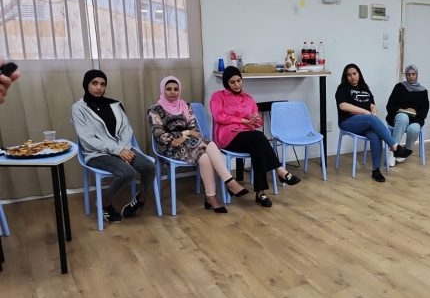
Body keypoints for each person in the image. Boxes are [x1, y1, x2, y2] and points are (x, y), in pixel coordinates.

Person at [148, 76, 248, 213]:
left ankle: (211, 197)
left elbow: (195, 130)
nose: (173, 92)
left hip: (190, 143)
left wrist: (186, 135)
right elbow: (160, 136)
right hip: (170, 147)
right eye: (168, 89)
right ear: (162, 90)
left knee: (205, 156)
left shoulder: (185, 106)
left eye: (176, 89)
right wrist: (186, 133)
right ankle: (229, 182)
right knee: (207, 144)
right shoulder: (154, 110)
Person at [72, 70, 156, 223]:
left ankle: (141, 199)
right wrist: (118, 151)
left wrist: (123, 149)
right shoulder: (78, 108)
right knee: (127, 173)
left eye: (102, 84)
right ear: (86, 84)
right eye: (94, 83)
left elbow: (126, 129)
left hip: (123, 148)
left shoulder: (115, 104)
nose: (99, 87)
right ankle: (104, 203)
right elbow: (87, 139)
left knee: (149, 167)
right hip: (97, 153)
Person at [210, 66, 301, 207]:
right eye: (232, 82)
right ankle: (280, 170)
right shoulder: (218, 96)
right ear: (226, 83)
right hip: (228, 137)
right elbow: (219, 116)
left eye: (239, 81)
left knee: (258, 148)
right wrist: (243, 121)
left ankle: (261, 193)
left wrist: (255, 120)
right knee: (258, 137)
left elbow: (258, 122)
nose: (236, 84)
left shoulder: (249, 99)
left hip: (248, 137)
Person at [335, 63, 412, 182]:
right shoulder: (342, 88)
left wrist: (374, 112)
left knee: (375, 135)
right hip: (348, 121)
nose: (352, 77)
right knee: (371, 119)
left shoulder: (365, 88)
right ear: (346, 77)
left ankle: (376, 170)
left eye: (354, 74)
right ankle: (395, 147)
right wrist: (366, 113)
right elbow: (343, 106)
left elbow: (372, 105)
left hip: (365, 122)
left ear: (359, 74)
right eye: (349, 75)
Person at [385, 64, 429, 166]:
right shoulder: (399, 87)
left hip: (415, 118)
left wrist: (415, 112)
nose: (411, 77)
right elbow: (389, 105)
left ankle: (405, 152)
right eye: (408, 74)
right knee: (403, 117)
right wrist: (403, 110)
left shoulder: (423, 91)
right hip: (398, 116)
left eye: (413, 74)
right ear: (406, 75)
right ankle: (393, 150)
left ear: (417, 75)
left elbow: (425, 110)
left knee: (413, 129)